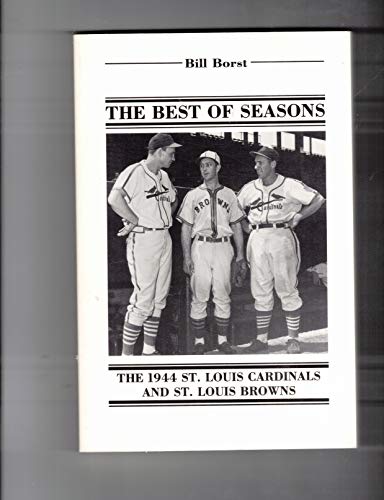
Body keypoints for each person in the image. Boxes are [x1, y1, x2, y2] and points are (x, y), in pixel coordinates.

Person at [237, 146, 325, 354]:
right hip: (257, 237)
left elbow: (318, 199)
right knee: (260, 289)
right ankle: (261, 339)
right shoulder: (249, 187)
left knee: (286, 287)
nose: (256, 166)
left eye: (261, 162)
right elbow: (234, 208)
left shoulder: (289, 185)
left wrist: (300, 215)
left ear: (273, 164)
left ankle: (292, 339)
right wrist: (243, 225)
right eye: (256, 162)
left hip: (281, 235)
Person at [108, 133, 181, 355]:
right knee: (142, 300)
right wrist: (134, 219)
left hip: (163, 236)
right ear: (159, 151)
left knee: (159, 298)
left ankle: (149, 351)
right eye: (171, 152)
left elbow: (174, 200)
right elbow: (114, 198)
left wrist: (163, 218)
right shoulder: (135, 171)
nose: (173, 157)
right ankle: (127, 357)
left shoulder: (164, 177)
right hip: (143, 238)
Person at [177, 151, 246, 354]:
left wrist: (240, 254)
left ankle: (222, 341)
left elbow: (236, 226)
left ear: (218, 167)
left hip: (224, 246)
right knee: (200, 294)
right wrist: (187, 256)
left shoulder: (230, 194)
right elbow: (186, 228)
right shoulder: (193, 194)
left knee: (223, 293)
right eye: (202, 165)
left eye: (208, 164)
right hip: (201, 246)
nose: (204, 168)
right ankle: (199, 343)